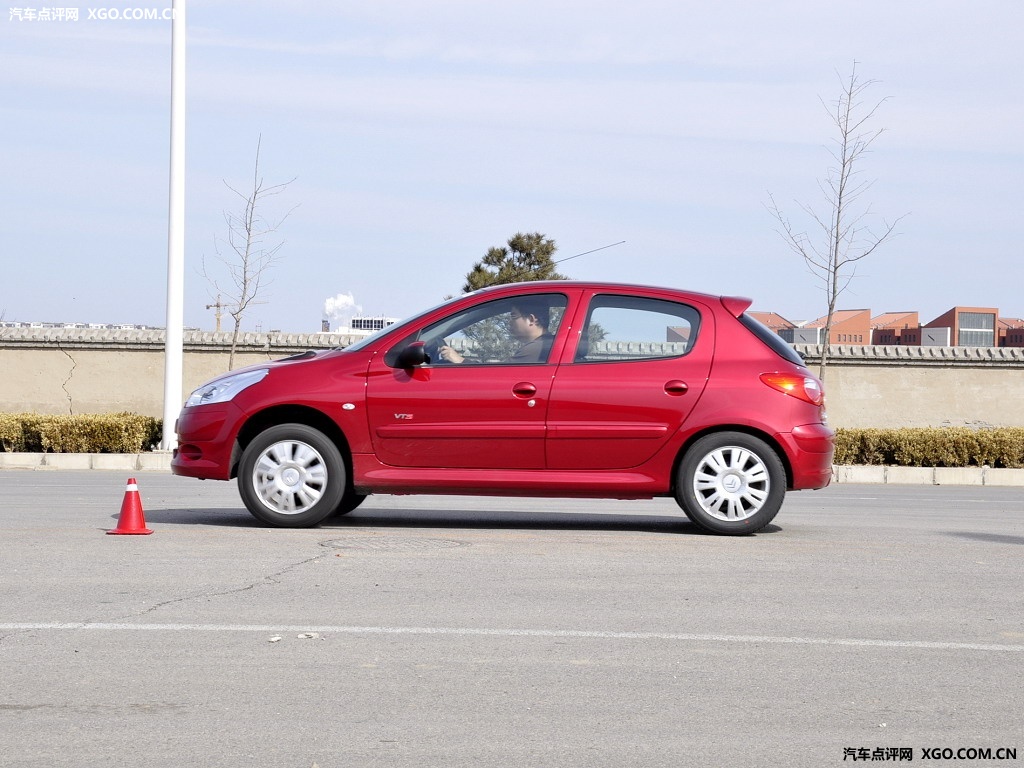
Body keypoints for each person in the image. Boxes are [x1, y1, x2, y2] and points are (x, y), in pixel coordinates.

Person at [439, 300, 554, 364]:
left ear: (531, 319)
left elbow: (495, 375)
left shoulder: (536, 349)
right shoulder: (545, 345)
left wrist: (460, 360)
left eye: (513, 316)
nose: (509, 322)